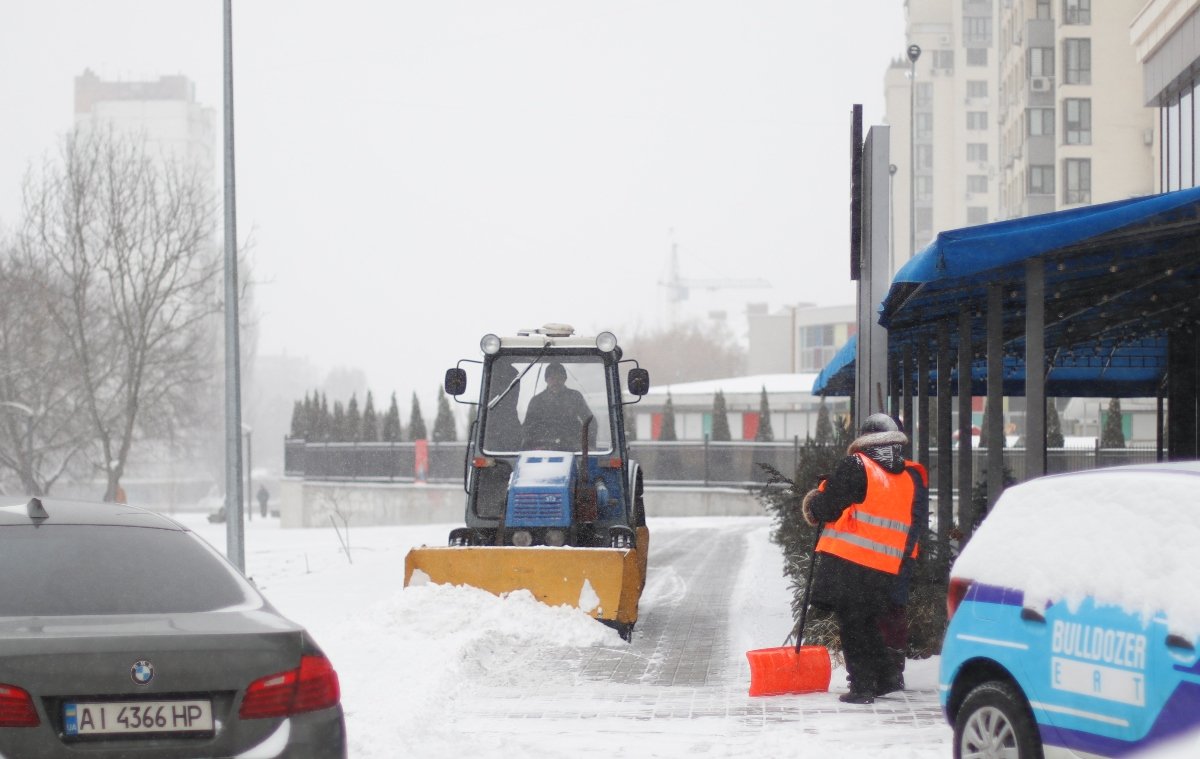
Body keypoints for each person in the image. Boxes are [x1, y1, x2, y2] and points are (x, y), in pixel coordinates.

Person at [801, 413, 922, 704]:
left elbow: (830, 507)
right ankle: (886, 678)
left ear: (864, 439)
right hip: (884, 567)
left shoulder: (858, 465)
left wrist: (813, 503)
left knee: (854, 626)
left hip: (852, 563)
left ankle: (862, 686)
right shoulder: (904, 475)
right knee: (867, 622)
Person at [521, 362, 594, 451]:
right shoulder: (536, 401)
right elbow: (527, 428)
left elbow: (590, 421)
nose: (556, 382)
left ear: (565, 379)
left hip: (572, 448)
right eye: (552, 378)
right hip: (543, 449)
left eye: (559, 378)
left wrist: (589, 445)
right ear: (546, 380)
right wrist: (532, 447)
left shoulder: (575, 396)